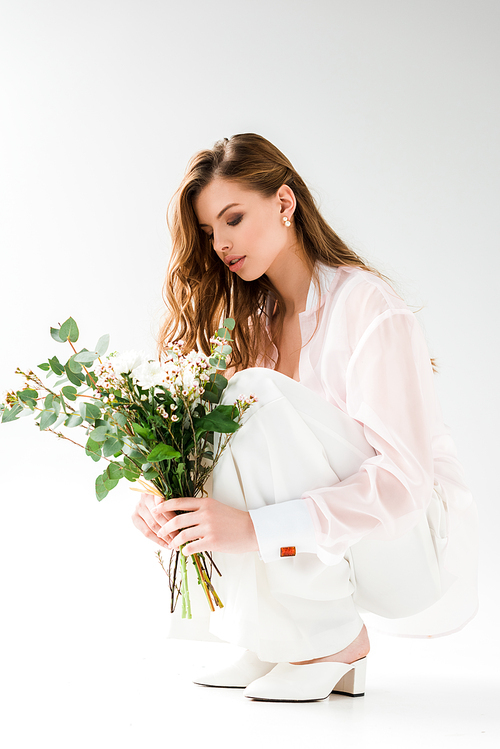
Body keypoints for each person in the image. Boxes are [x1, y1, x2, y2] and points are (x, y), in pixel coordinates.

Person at [131, 133, 478, 702]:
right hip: (343, 549)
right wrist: (160, 499)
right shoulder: (251, 323)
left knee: (251, 395)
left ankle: (334, 643)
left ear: (284, 204)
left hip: (406, 545)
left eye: (233, 218)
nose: (220, 243)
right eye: (208, 232)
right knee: (224, 408)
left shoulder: (367, 305)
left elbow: (403, 482)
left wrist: (254, 528)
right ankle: (277, 638)